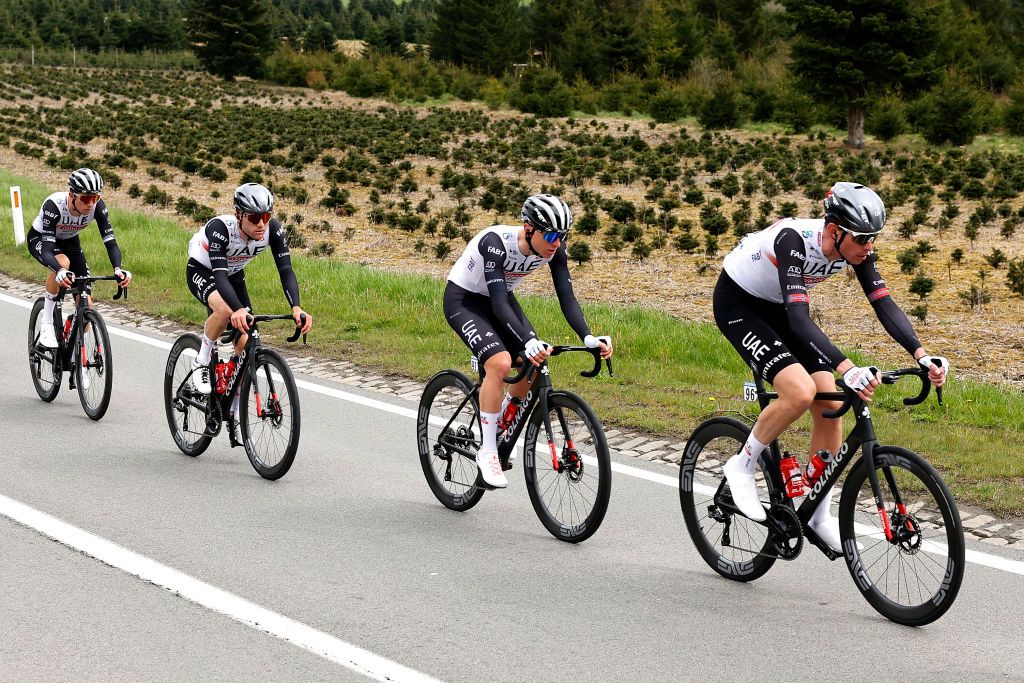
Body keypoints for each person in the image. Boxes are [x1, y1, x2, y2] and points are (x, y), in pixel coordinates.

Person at [713, 182, 948, 552]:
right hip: (739, 304)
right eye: (863, 238)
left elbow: (884, 305)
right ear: (835, 231)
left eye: (874, 238)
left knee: (830, 403)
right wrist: (848, 366)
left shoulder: (856, 250)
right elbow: (800, 318)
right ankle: (742, 465)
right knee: (801, 392)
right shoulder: (793, 241)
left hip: (779, 308)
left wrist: (921, 355)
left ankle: (819, 514)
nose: (869, 246)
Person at [444, 193, 613, 489]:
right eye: (550, 234)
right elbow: (497, 304)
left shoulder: (554, 249)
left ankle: (502, 414)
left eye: (562, 236)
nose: (555, 243)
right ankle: (488, 451)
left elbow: (567, 297)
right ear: (528, 228)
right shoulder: (495, 243)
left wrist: (587, 336)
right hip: (465, 301)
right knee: (501, 362)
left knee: (535, 360)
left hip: (501, 300)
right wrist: (527, 339)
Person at [185, 183, 313, 443]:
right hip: (204, 270)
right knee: (223, 311)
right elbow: (219, 277)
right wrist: (238, 310)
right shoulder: (220, 229)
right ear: (239, 215)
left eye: (266, 216)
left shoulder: (273, 230)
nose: (262, 224)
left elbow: (286, 271)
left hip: (233, 275)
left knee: (247, 342)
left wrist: (296, 308)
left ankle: (233, 409)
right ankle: (202, 359)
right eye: (255, 218)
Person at [28, 168, 132, 350]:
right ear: (72, 195)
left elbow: (111, 243)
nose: (91, 203)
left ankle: (78, 364)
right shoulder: (55, 205)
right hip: (41, 239)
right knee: (63, 263)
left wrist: (118, 269)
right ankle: (46, 323)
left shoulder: (97, 207)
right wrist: (60, 271)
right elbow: (47, 250)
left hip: (70, 242)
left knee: (87, 307)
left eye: (95, 197)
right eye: (85, 198)